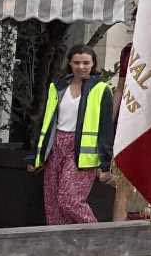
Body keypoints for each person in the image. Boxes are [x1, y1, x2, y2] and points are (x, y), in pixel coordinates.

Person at [33, 44, 111, 225]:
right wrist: (37, 156)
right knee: (52, 204)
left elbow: (106, 128)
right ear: (69, 63)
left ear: (93, 64)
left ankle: (97, 236)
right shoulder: (57, 87)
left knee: (69, 200)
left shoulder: (100, 89)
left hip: (81, 151)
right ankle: (62, 242)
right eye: (76, 62)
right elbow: (46, 121)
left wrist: (105, 163)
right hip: (55, 146)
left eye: (86, 63)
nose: (81, 67)